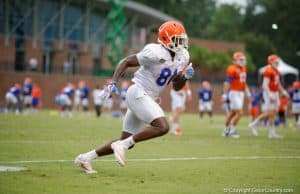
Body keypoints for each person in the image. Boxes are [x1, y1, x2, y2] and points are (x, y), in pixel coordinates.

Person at [75, 21, 194, 173]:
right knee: (163, 127)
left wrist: (184, 77)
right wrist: (113, 82)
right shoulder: (155, 52)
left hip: (147, 98)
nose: (181, 43)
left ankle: (85, 158)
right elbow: (126, 62)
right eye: (177, 39)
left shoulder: (182, 56)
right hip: (137, 92)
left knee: (127, 141)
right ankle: (121, 145)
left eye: (182, 39)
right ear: (166, 39)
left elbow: (176, 86)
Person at [248, 54, 288, 138]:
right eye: (275, 61)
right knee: (270, 113)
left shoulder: (276, 70)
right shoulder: (268, 70)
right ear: (271, 61)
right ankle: (253, 124)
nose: (277, 63)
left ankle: (271, 133)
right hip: (269, 92)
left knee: (273, 113)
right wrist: (270, 94)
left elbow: (278, 83)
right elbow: (264, 85)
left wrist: (283, 91)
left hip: (275, 92)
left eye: (277, 61)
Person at [222, 51, 251, 138]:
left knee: (232, 113)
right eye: (240, 60)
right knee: (240, 112)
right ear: (234, 60)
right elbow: (227, 83)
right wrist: (224, 94)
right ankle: (232, 131)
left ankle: (226, 130)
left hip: (241, 93)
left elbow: (243, 82)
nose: (242, 61)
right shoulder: (232, 69)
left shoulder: (244, 69)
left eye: (243, 60)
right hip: (234, 92)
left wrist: (248, 93)